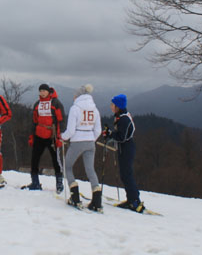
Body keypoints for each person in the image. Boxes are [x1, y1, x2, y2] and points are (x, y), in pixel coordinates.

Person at [61, 84, 103, 212]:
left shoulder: (75, 108)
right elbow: (98, 130)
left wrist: (62, 137)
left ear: (78, 96)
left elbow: (70, 130)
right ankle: (97, 201)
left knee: (67, 167)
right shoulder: (95, 109)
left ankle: (75, 196)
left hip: (77, 141)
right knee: (90, 170)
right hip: (90, 141)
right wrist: (91, 138)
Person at [102, 94, 143, 213]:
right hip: (124, 148)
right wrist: (110, 133)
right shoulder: (120, 116)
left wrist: (110, 134)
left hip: (126, 148)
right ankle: (131, 199)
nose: (110, 106)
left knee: (127, 174)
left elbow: (121, 137)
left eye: (112, 104)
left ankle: (135, 200)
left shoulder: (124, 119)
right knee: (125, 175)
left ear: (118, 106)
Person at [26, 84, 65, 193]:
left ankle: (59, 183)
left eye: (44, 91)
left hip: (52, 135)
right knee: (35, 159)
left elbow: (61, 119)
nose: (42, 93)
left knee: (55, 160)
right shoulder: (37, 104)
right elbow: (34, 120)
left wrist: (60, 135)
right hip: (39, 134)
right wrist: (32, 135)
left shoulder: (56, 103)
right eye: (40, 91)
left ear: (49, 92)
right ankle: (35, 182)